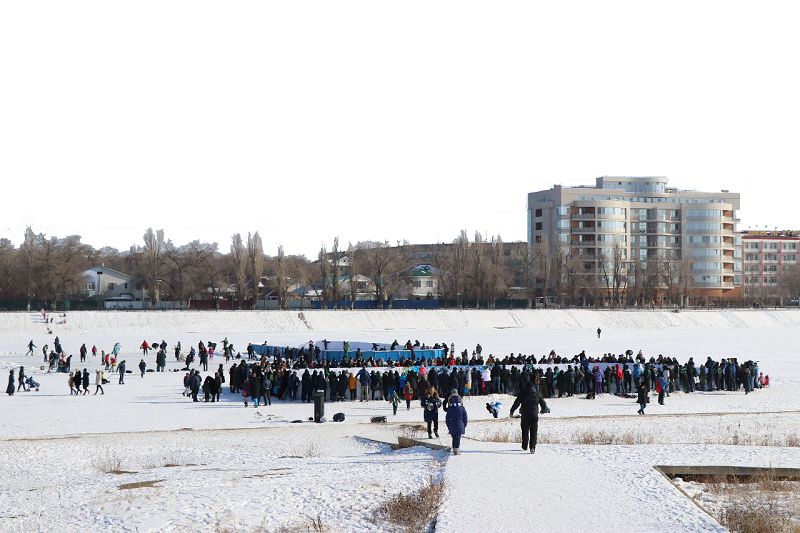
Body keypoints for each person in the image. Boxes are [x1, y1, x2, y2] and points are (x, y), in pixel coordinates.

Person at [509, 381, 550, 454]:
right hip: (534, 415)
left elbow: (516, 403)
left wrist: (511, 411)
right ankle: (532, 447)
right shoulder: (537, 394)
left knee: (525, 430)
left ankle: (525, 445)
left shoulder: (522, 394)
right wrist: (543, 410)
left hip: (525, 415)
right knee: (533, 431)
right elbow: (543, 404)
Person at [444, 390, 468, 455]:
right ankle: (456, 449)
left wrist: (449, 426)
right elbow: (465, 418)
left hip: (452, 425)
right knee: (458, 438)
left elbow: (447, 419)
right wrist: (464, 425)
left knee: (454, 437)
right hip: (460, 424)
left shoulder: (450, 408)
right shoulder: (462, 408)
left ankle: (455, 449)